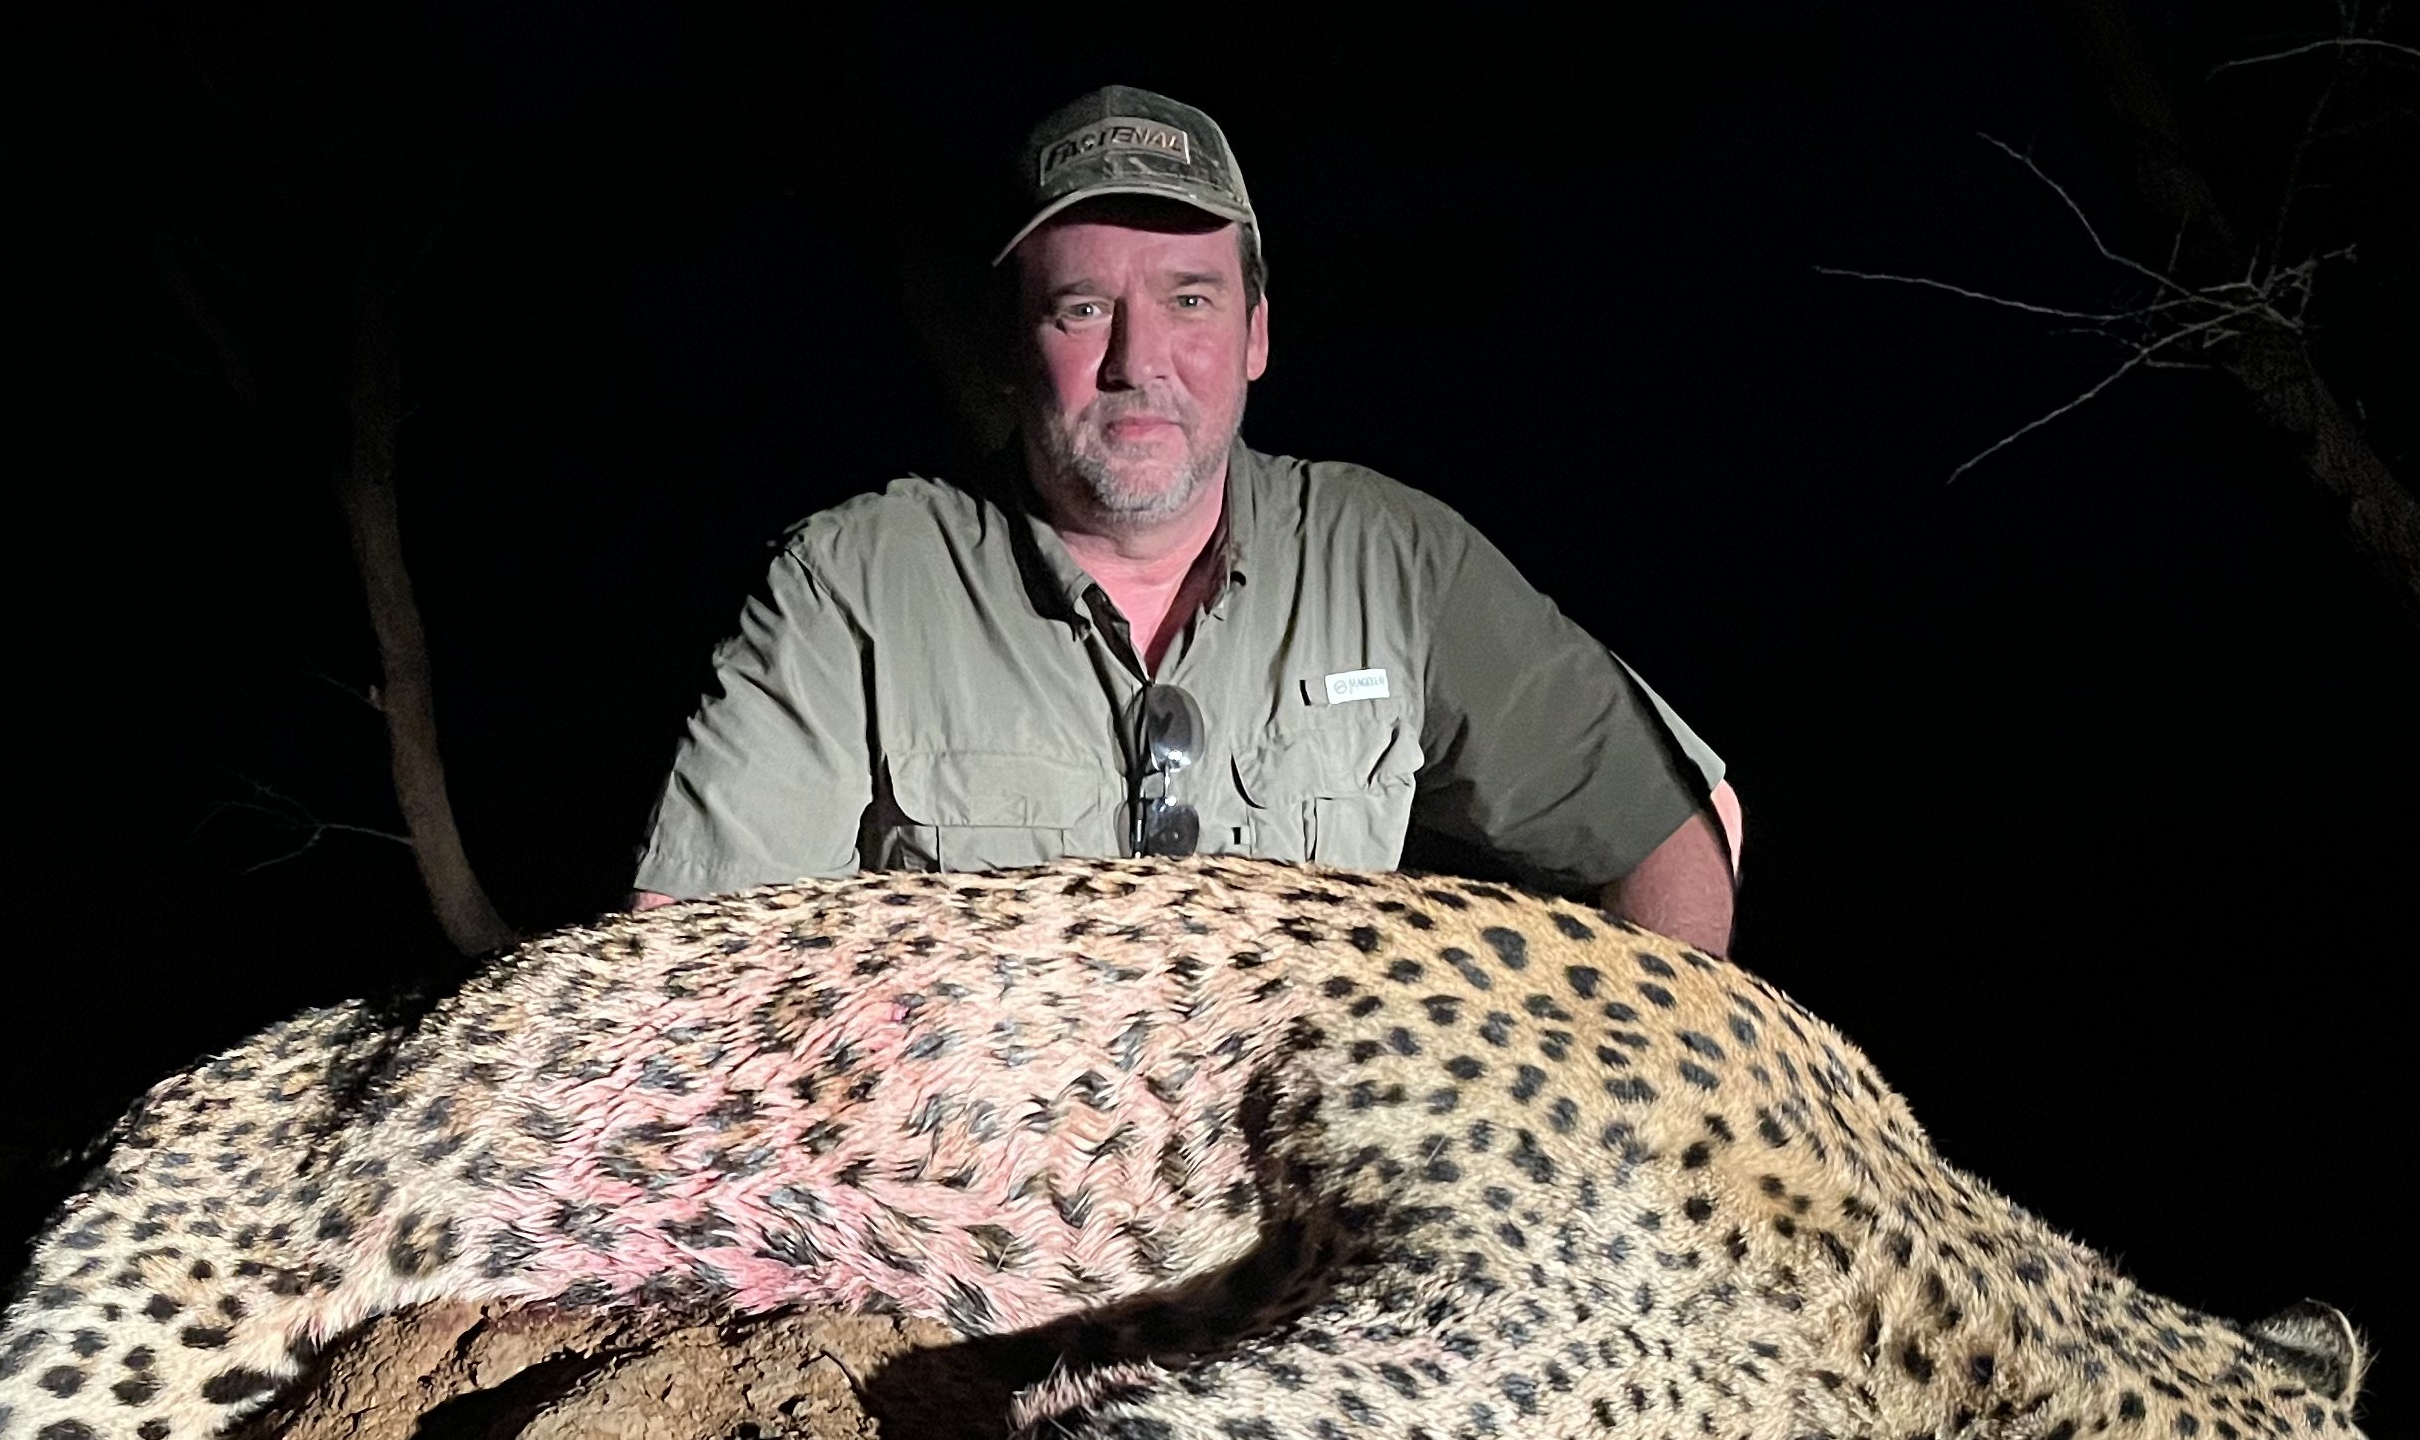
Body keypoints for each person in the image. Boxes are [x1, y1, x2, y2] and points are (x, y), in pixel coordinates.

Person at [630, 85, 1745, 951]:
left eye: (1190, 300)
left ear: (1257, 334)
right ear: (1014, 348)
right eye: (1082, 309)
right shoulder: (857, 584)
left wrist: (1633, 1126)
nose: (1137, 360)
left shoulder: (1391, 559)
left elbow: (1682, 827)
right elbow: (681, 957)